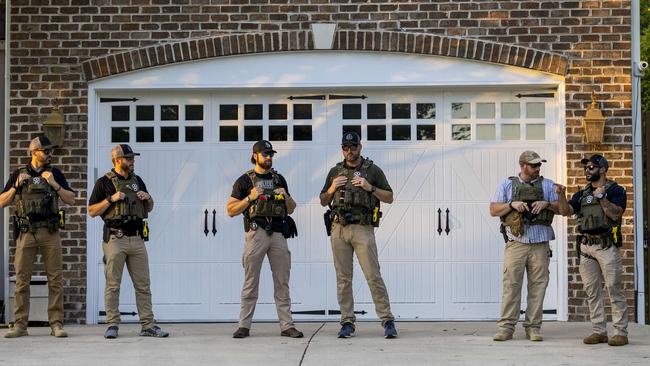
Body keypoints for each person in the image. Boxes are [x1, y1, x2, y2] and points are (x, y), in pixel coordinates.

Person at [319, 131, 397, 339]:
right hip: (339, 228)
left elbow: (389, 197)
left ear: (360, 147)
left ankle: (387, 320)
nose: (349, 151)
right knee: (343, 278)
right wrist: (332, 187)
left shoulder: (372, 170)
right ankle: (347, 322)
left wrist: (369, 187)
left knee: (372, 275)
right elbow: (323, 199)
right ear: (342, 149)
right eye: (345, 147)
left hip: (363, 228)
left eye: (353, 147)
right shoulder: (335, 171)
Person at [88, 144, 169, 339]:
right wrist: (111, 199)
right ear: (117, 160)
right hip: (116, 238)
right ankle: (112, 324)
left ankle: (148, 325)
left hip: (137, 238)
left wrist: (148, 198)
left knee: (143, 285)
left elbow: (148, 208)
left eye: (133, 159)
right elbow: (91, 211)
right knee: (113, 284)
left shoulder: (137, 180)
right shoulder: (103, 183)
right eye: (129, 158)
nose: (133, 162)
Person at [226, 140, 303, 339]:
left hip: (278, 234)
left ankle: (287, 326)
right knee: (251, 281)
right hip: (256, 233)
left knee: (282, 281)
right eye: (265, 154)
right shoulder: (244, 181)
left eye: (270, 154)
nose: (268, 157)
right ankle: (244, 325)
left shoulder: (279, 179)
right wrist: (249, 198)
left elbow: (292, 208)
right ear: (255, 156)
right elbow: (230, 210)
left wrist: (285, 196)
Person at [0, 136, 75, 338]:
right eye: (46, 151)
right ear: (33, 151)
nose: (50, 154)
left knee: (55, 279)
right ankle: (20, 326)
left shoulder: (55, 173)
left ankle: (56, 324)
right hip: (26, 232)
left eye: (51, 151)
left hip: (50, 232)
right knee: (22, 280)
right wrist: (16, 186)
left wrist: (55, 184)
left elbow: (71, 199)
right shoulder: (19, 173)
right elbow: (2, 201)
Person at [557, 154, 629, 346]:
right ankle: (599, 331)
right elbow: (565, 211)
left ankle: (620, 332)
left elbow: (616, 214)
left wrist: (602, 197)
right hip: (586, 246)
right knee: (592, 291)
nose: (587, 170)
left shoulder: (616, 190)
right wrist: (561, 195)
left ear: (603, 169)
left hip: (607, 246)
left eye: (592, 167)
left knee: (614, 288)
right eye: (586, 167)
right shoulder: (582, 194)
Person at [489, 150, 560, 342]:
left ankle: (533, 328)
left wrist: (547, 204)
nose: (538, 168)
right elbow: (493, 210)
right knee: (511, 285)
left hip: (540, 243)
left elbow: (564, 209)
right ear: (522, 165)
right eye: (534, 165)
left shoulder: (547, 185)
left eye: (539, 165)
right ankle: (506, 328)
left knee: (538, 286)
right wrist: (512, 204)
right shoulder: (506, 184)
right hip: (516, 243)